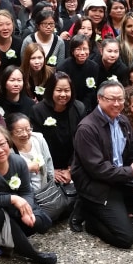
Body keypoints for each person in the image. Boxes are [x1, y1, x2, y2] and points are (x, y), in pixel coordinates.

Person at [71, 80, 133, 248]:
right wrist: (132, 170)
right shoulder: (87, 128)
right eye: (112, 99)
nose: (117, 104)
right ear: (99, 99)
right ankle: (92, 221)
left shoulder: (122, 120)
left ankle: (122, 213)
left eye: (121, 99)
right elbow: (98, 170)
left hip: (119, 179)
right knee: (126, 239)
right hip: (99, 186)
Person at [0, 125, 57, 264]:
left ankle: (8, 242)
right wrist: (13, 199)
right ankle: (33, 254)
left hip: (12, 206)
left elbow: (26, 191)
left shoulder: (17, 161)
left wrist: (26, 208)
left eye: (2, 144)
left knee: (42, 222)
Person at [30, 71, 85, 219]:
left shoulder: (78, 108)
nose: (63, 94)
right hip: (48, 165)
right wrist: (50, 171)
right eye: (58, 90)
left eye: (67, 90)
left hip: (72, 163)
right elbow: (35, 146)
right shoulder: (38, 110)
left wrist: (70, 169)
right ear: (50, 90)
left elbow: (82, 142)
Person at [7, 113, 55, 192]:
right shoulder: (8, 149)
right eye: (19, 131)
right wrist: (26, 168)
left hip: (45, 190)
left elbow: (48, 162)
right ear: (9, 132)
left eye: (28, 129)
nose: (25, 134)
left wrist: (51, 186)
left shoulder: (38, 139)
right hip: (25, 194)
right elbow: (7, 174)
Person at [57, 34, 99, 113]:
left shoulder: (94, 67)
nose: (82, 52)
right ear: (72, 51)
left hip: (86, 107)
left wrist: (83, 108)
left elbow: (91, 91)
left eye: (85, 49)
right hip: (67, 104)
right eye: (78, 49)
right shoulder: (63, 68)